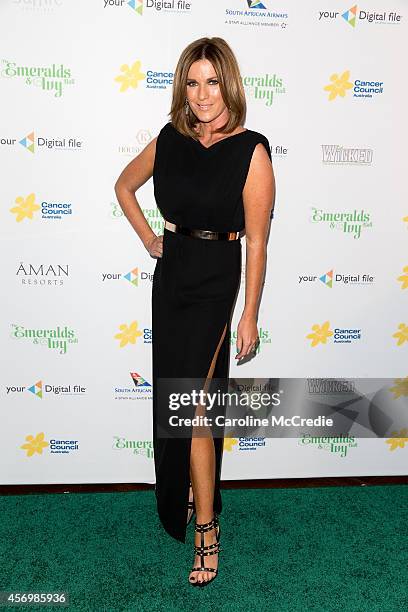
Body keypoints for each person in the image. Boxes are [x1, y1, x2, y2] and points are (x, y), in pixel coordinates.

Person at [114, 36, 275, 586]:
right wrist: (150, 240)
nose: (201, 94)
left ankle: (207, 528)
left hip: (215, 279)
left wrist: (248, 312)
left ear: (227, 82)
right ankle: (185, 494)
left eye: (211, 81)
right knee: (176, 402)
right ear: (182, 87)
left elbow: (257, 241)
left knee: (196, 408)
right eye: (191, 82)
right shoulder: (169, 140)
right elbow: (124, 186)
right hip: (173, 274)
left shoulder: (251, 149)